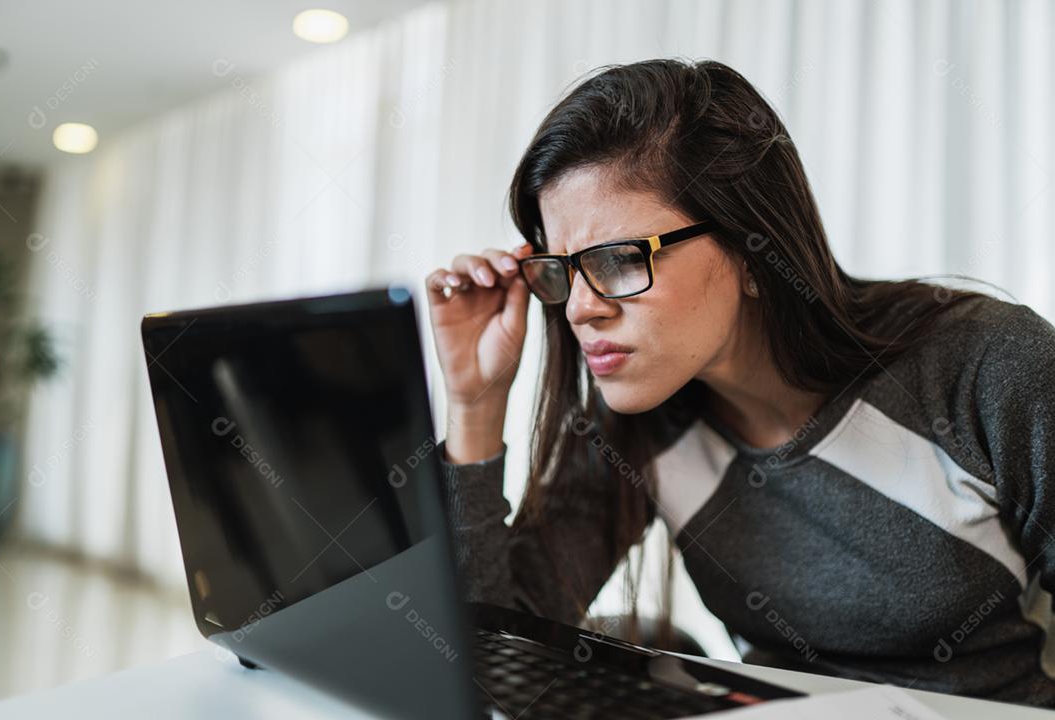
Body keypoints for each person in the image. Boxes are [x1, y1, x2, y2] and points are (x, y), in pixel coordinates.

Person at [424, 58, 1055, 707]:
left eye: (617, 260)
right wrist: (475, 405)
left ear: (754, 250)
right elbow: (490, 649)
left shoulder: (987, 364)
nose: (580, 307)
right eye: (561, 270)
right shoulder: (641, 429)